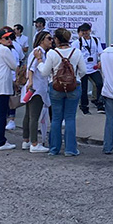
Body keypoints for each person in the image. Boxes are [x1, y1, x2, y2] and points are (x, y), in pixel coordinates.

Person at [35, 28, 87, 156]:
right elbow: (84, 70)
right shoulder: (76, 52)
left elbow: (44, 72)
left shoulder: (52, 53)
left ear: (57, 39)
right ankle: (70, 149)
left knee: (56, 118)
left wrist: (40, 61)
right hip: (73, 87)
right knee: (70, 118)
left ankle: (54, 148)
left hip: (56, 86)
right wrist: (76, 76)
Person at [21, 31, 52, 153]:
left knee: (29, 115)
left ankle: (26, 140)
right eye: (48, 38)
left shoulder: (41, 52)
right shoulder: (38, 52)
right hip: (37, 88)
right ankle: (34, 143)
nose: (51, 41)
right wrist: (31, 82)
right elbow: (31, 68)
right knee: (34, 115)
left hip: (35, 86)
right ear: (41, 40)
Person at [76, 23, 104, 115]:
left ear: (90, 31)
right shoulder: (77, 43)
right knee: (84, 89)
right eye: (83, 31)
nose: (85, 33)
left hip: (93, 68)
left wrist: (100, 61)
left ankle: (99, 103)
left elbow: (100, 53)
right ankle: (84, 106)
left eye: (86, 31)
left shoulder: (95, 40)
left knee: (99, 84)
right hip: (83, 69)